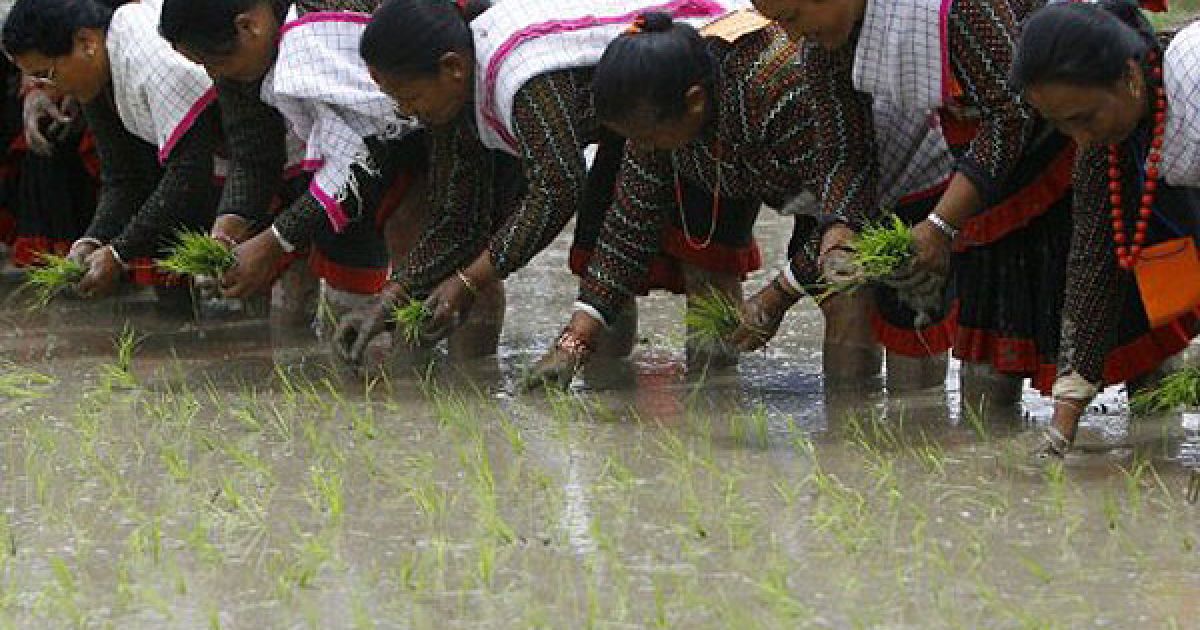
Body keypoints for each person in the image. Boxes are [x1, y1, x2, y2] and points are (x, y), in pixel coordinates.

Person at [524, 9, 955, 388]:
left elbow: (849, 202)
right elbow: (628, 228)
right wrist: (574, 340)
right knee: (837, 289)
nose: (647, 149)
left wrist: (774, 298)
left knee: (855, 300)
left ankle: (876, 435)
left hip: (895, 178)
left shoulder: (776, 95)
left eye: (649, 137)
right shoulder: (657, 122)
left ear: (694, 102)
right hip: (816, 191)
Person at [339, 0, 763, 368]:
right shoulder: (457, 98)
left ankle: (714, 399)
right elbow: (458, 219)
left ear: (451, 67)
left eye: (410, 97)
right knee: (596, 256)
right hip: (631, 124)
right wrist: (390, 296)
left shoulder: (522, 79)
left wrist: (469, 282)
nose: (408, 112)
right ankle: (608, 389)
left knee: (706, 257)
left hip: (690, 82)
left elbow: (556, 190)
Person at [743, 0, 1087, 407]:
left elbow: (1011, 116)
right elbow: (845, 151)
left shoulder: (962, 10)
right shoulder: (823, 52)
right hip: (978, 167)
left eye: (793, 17)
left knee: (1088, 324)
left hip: (1065, 142)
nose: (793, 36)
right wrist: (840, 227)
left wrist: (941, 225)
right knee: (988, 365)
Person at [158, 0, 443, 345]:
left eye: (216, 62)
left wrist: (273, 243)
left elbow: (360, 160)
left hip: (429, 124)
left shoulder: (314, 35)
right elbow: (253, 153)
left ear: (249, 26)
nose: (215, 75)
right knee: (340, 246)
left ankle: (445, 377)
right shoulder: (241, 62)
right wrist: (226, 230)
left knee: (417, 237)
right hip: (367, 150)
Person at [1013, 0, 1200, 457]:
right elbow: (1093, 265)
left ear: (1130, 79)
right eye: (1061, 126)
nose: (1079, 138)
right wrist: (1062, 423)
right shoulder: (1106, 143)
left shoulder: (1193, 88)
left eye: (1083, 119)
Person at [3, 0, 219, 308]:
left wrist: (118, 253)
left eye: (48, 74)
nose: (54, 87)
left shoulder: (150, 58)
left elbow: (190, 174)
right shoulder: (96, 69)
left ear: (86, 43)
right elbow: (122, 177)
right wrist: (91, 241)